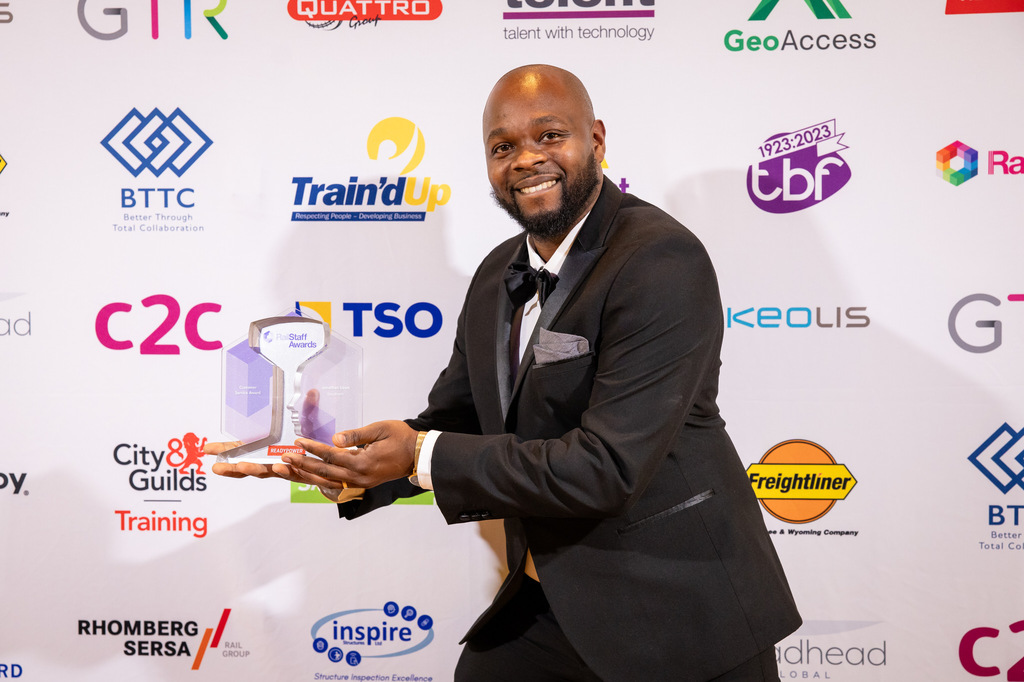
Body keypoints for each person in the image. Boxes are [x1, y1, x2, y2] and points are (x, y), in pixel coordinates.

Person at [209, 64, 801, 681]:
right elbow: (456, 421)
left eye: (550, 136)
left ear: (596, 140)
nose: (526, 159)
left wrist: (419, 454)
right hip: (549, 600)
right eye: (503, 147)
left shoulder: (658, 258)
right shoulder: (497, 273)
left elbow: (609, 467)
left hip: (681, 612)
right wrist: (347, 466)